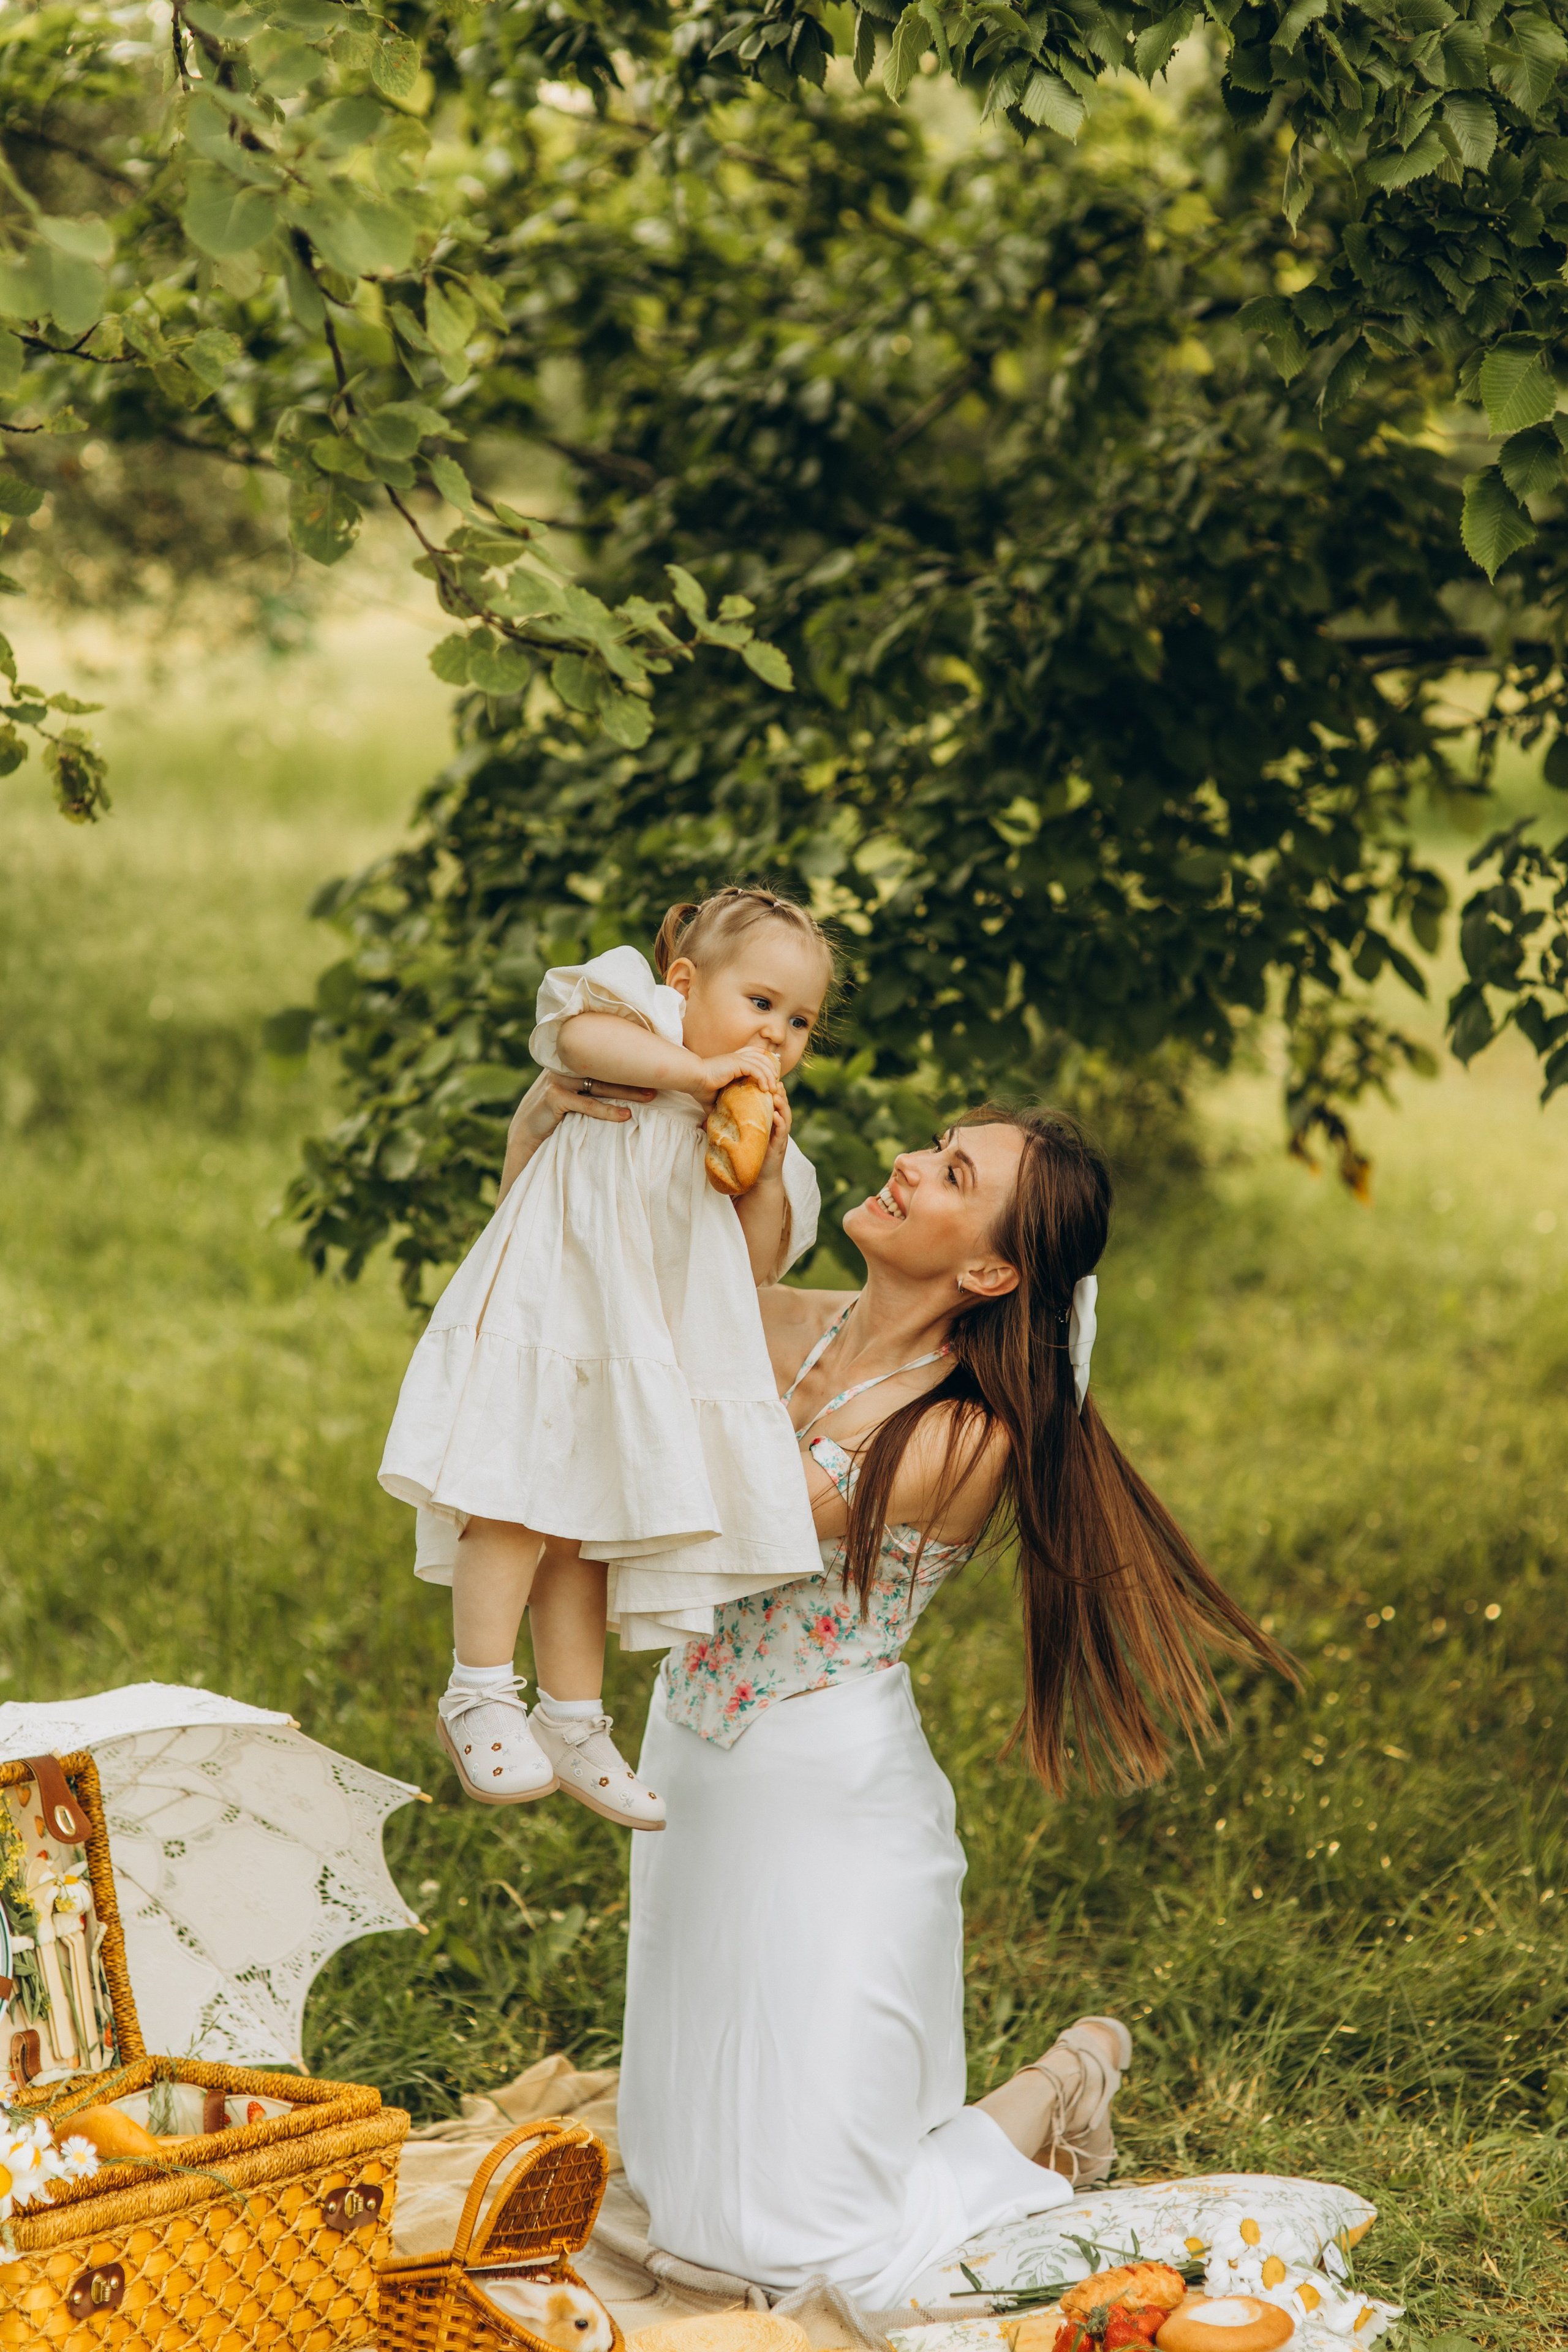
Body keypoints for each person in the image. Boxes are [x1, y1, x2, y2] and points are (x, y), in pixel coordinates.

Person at [492, 1086, 1291, 2309]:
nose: (911, 1168)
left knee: (824, 2259)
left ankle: (1060, 2084)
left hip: (829, 1806)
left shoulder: (960, 1439)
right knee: (685, 2194)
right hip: (692, 1766)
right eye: (934, 1148)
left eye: (955, 1177)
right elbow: (557, 1315)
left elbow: (698, 1517)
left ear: (984, 1273)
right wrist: (554, 1132)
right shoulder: (780, 1328)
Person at [378, 888, 834, 1833]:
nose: (778, 1035)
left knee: (587, 1530)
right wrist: (700, 1072)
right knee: (509, 1492)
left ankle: (574, 1720)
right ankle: (477, 1692)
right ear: (684, 983)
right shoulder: (642, 1019)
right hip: (553, 1311)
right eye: (761, 1004)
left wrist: (756, 1161)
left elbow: (750, 1268)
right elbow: (576, 1044)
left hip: (634, 1349)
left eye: (800, 1023)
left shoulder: (749, 1126)